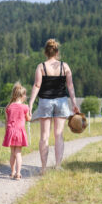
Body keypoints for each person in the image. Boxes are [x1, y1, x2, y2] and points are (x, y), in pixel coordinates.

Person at [29, 39, 79, 174]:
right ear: (57, 52)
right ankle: (58, 165)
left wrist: (30, 104)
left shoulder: (41, 67)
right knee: (59, 134)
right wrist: (74, 103)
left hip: (45, 102)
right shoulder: (65, 66)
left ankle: (44, 167)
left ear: (46, 52)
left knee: (44, 136)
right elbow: (70, 86)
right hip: (62, 101)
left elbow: (37, 85)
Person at [2, 82, 31, 180]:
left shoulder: (8, 107)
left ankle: (12, 171)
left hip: (10, 131)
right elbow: (28, 119)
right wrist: (30, 114)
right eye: (25, 95)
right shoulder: (25, 107)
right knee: (18, 153)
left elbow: (6, 121)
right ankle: (18, 173)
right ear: (22, 96)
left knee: (12, 153)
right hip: (19, 132)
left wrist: (7, 132)